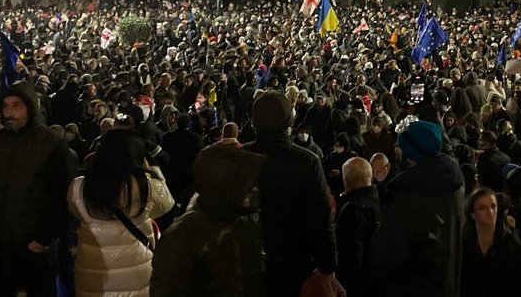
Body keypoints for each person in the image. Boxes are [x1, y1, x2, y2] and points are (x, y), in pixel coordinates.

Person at [246, 91, 342, 296]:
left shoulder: (240, 158)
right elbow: (321, 218)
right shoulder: (306, 161)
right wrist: (328, 266)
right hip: (295, 263)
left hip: (247, 259)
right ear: (289, 119)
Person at [67, 128, 175, 296]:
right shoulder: (146, 187)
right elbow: (166, 205)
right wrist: (153, 171)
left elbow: (76, 211)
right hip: (136, 274)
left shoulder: (79, 186)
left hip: (94, 276)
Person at [150, 145, 266, 297]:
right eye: (247, 184)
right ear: (224, 184)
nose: (254, 190)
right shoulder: (182, 236)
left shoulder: (248, 222)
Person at [0, 83, 76, 297]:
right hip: (2, 247)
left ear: (30, 107)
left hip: (36, 249)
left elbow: (61, 197)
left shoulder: (52, 144)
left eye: (16, 105)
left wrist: (42, 240)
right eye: (5, 106)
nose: (9, 112)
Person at [368, 120, 464, 297]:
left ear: (410, 154)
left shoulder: (408, 196)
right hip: (447, 284)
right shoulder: (453, 183)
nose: (397, 150)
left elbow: (386, 259)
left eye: (400, 146)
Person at [460, 188, 521, 297]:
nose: (490, 212)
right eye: (483, 208)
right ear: (473, 214)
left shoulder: (511, 245)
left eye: (493, 206)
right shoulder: (465, 246)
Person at [335, 157, 380, 296]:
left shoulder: (351, 211)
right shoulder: (380, 200)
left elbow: (351, 256)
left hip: (357, 285)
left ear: (345, 181)